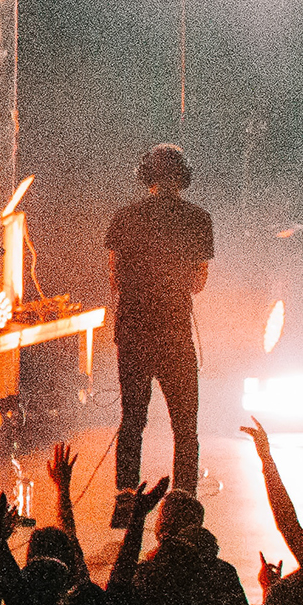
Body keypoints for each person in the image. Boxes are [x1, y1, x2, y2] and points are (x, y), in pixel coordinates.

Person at [108, 142, 214, 522]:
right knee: (185, 425)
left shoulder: (124, 218)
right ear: (183, 176)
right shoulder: (199, 220)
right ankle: (183, 504)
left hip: (133, 333)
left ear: (145, 176)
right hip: (174, 334)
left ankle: (125, 502)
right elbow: (199, 282)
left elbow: (115, 278)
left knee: (133, 418)